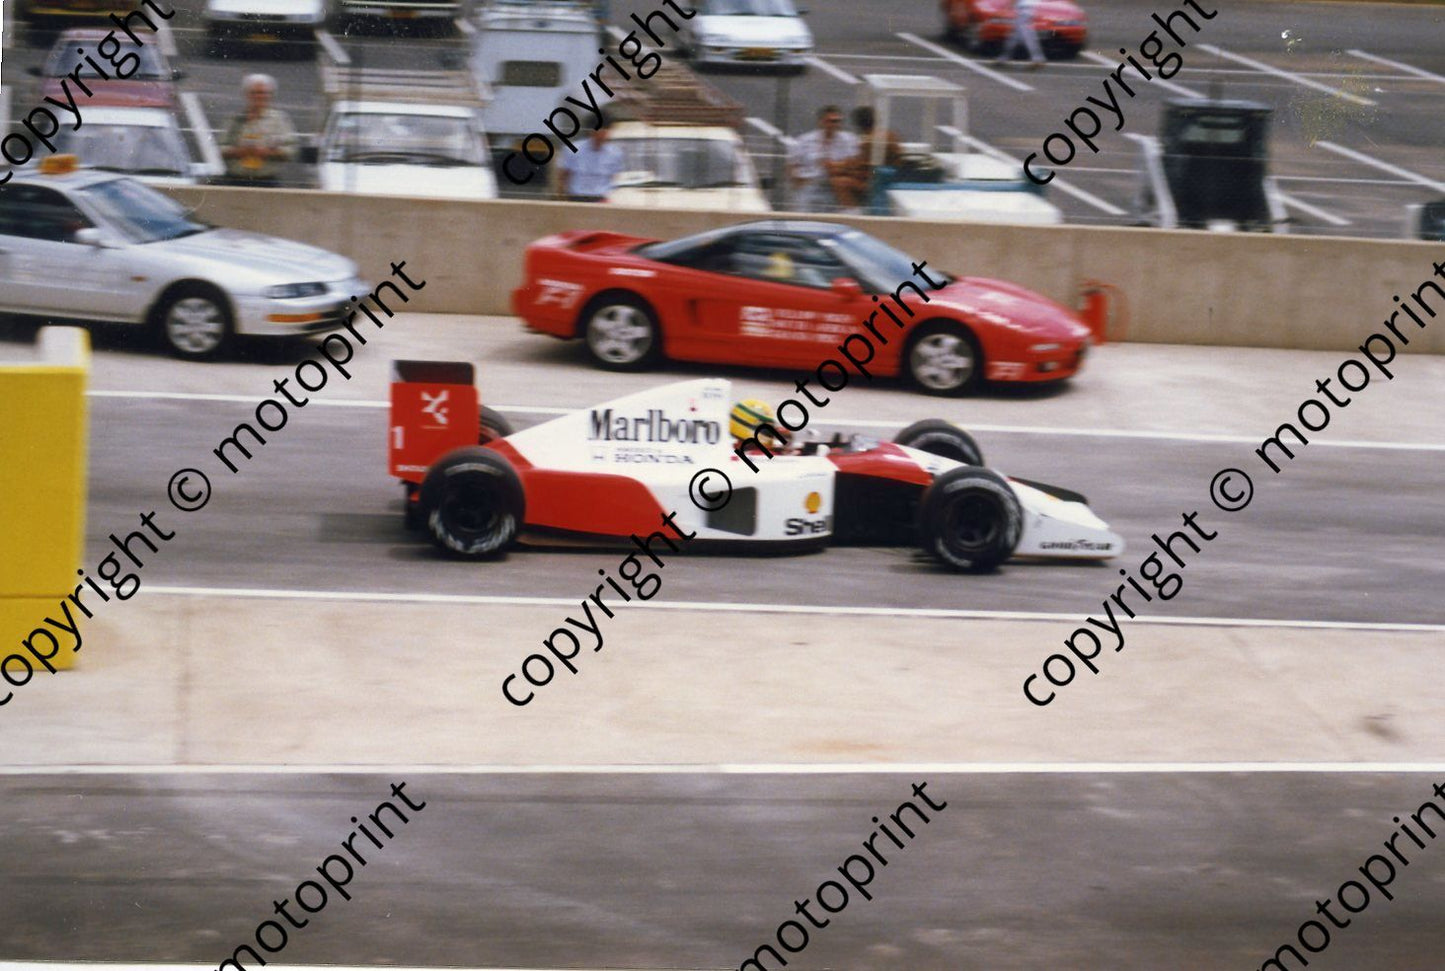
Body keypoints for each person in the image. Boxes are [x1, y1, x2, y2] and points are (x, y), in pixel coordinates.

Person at [220, 74, 298, 186]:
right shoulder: (234, 119)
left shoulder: (279, 120)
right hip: (236, 180)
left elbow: (290, 151)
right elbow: (220, 148)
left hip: (267, 181)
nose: (259, 96)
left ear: (271, 95)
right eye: (254, 93)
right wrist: (239, 152)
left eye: (263, 93)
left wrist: (267, 153)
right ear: (247, 95)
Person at [786, 105, 859, 213]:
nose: (835, 125)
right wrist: (798, 184)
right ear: (821, 122)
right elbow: (793, 164)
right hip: (810, 185)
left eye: (838, 121)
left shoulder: (849, 140)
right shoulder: (805, 140)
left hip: (834, 187)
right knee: (804, 216)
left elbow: (854, 162)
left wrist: (836, 166)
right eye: (831, 121)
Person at [835, 105, 904, 212]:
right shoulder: (890, 135)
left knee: (840, 182)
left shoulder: (868, 142)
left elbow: (863, 168)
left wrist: (841, 167)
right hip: (895, 176)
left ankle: (854, 213)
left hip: (879, 182)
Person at [557, 119, 624, 203]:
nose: (603, 135)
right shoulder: (573, 149)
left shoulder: (615, 153)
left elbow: (614, 177)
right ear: (591, 132)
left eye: (606, 131)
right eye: (600, 131)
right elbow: (563, 176)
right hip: (577, 198)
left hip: (601, 200)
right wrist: (562, 199)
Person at [996, 0, 1046, 69]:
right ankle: (1003, 58)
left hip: (1024, 11)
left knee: (1027, 37)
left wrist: (1009, 6)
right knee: (1014, 37)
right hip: (1029, 10)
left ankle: (1037, 59)